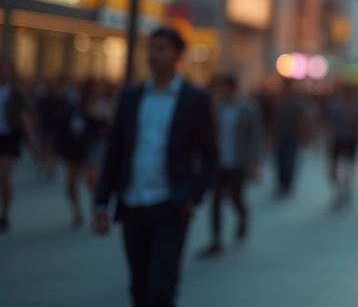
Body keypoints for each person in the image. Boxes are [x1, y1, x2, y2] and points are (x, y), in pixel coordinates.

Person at [93, 27, 218, 307]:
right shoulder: (131, 97)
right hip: (133, 202)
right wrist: (102, 203)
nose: (154, 54)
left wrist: (193, 196)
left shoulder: (195, 100)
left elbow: (210, 155)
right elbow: (115, 153)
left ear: (178, 55)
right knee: (138, 287)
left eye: (162, 48)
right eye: (151, 48)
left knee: (161, 288)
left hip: (171, 204)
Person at [200, 74, 262, 257]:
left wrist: (253, 161)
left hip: (238, 162)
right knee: (216, 200)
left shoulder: (247, 109)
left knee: (236, 197)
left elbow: (255, 137)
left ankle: (243, 217)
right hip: (219, 163)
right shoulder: (215, 108)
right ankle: (216, 239)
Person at [58, 79, 111, 227]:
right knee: (71, 182)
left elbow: (110, 127)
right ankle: (77, 211)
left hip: (95, 145)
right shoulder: (77, 105)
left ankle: (96, 210)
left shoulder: (106, 105)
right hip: (77, 147)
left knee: (93, 181)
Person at [0, 56, 39, 232]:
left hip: (9, 137)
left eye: (7, 68)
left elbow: (25, 117)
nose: (4, 71)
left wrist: (32, 140)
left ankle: (5, 213)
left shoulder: (16, 92)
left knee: (3, 175)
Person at [325, 84, 358, 210]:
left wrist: (349, 112)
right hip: (337, 139)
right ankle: (339, 189)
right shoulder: (334, 105)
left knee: (349, 168)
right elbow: (328, 121)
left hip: (351, 139)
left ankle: (346, 190)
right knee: (332, 169)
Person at [271, 78, 308, 198]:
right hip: (281, 135)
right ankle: (282, 182)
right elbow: (274, 119)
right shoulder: (278, 101)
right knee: (280, 160)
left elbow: (300, 119)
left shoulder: (297, 102)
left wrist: (303, 135)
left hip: (292, 135)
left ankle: (287, 183)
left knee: (290, 161)